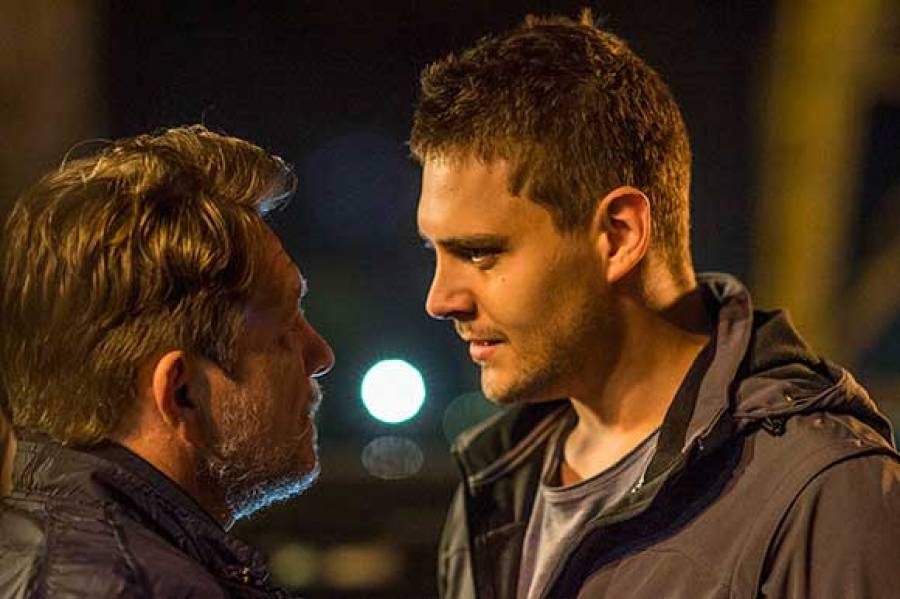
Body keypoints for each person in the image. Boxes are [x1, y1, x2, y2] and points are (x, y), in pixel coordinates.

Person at [411, 11, 900, 599]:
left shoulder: (820, 493)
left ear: (618, 235)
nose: (440, 299)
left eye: (479, 253)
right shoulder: (493, 485)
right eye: (436, 252)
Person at [0, 126, 334, 597]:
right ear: (182, 393)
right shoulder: (130, 585)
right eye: (284, 330)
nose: (321, 355)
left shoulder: (46, 552)